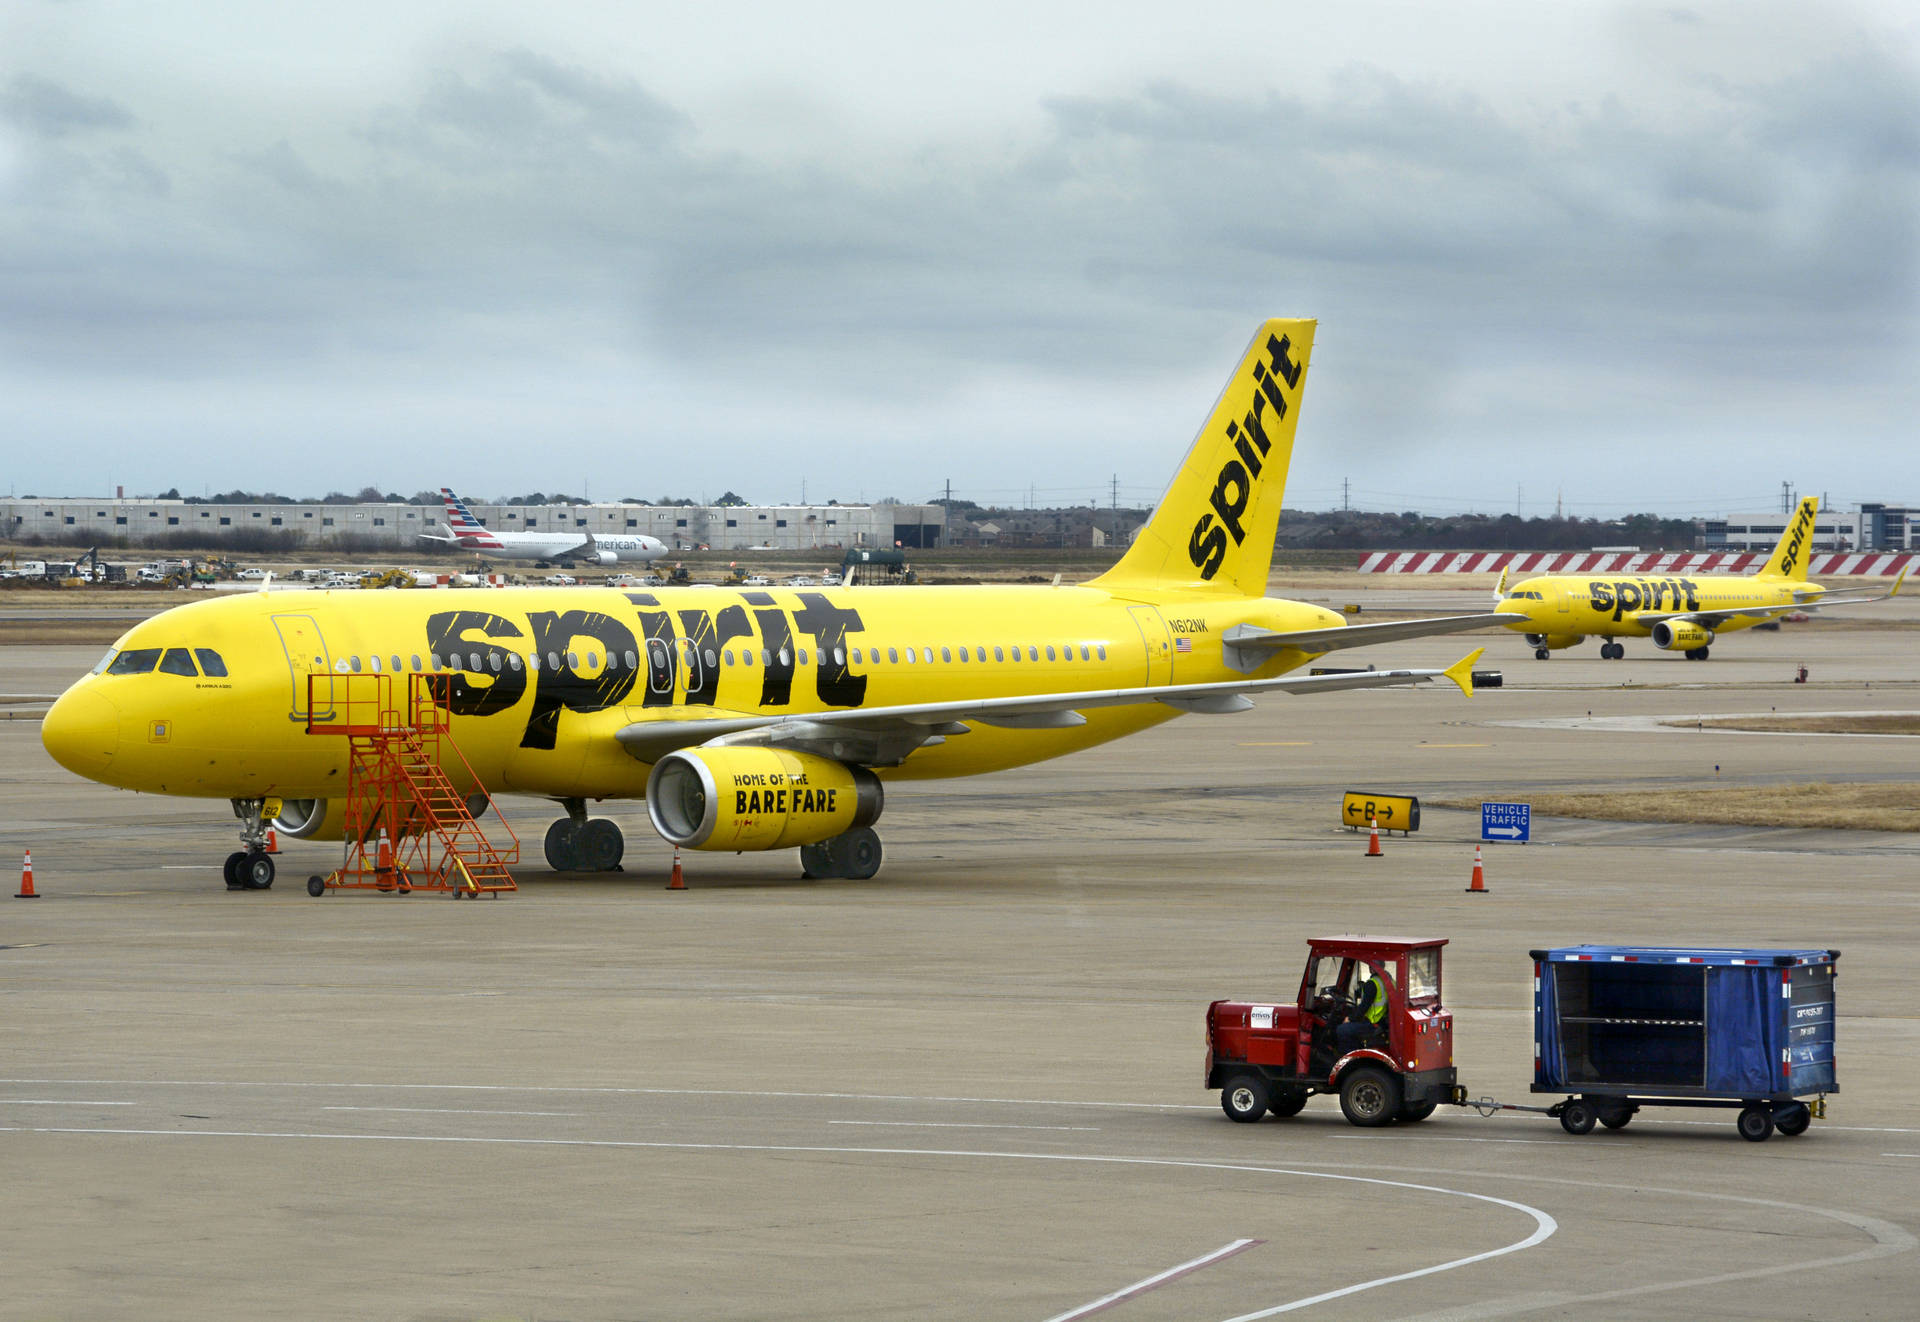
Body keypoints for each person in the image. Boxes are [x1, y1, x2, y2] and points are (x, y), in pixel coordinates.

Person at [1332, 963, 1390, 1055]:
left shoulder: (1372, 984)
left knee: (1342, 1029)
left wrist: (1350, 1018)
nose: (1369, 967)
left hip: (1373, 1024)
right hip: (1383, 1022)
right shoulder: (1388, 981)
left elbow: (1363, 1007)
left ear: (1373, 967)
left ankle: (1350, 1058)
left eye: (1371, 965)